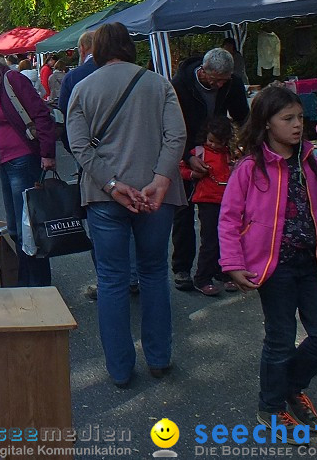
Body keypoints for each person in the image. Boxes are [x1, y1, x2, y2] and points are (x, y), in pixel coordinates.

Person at [219, 85, 317, 428]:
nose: (296, 125)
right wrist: (233, 264)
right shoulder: (249, 167)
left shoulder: (312, 163)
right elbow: (229, 219)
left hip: (312, 264)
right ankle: (271, 406)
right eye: (287, 118)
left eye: (299, 118)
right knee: (280, 339)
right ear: (266, 124)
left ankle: (291, 385)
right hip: (273, 267)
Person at [66, 22, 187, 387]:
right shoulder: (158, 83)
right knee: (153, 274)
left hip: (105, 196)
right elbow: (177, 134)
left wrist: (112, 184)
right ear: (130, 47)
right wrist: (161, 178)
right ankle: (159, 357)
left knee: (112, 281)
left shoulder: (82, 88)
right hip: (156, 196)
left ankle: (119, 368)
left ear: (96, 51)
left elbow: (80, 146)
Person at [0, 49, 57, 286]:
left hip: (23, 160)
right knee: (17, 228)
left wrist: (47, 153)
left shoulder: (12, 80)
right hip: (9, 164)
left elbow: (41, 114)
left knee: (28, 229)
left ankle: (36, 285)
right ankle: (28, 282)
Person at [170, 47, 249, 291]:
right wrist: (186, 156)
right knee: (182, 213)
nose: (219, 85)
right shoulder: (180, 84)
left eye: (224, 81)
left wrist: (242, 146)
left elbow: (242, 116)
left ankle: (217, 268)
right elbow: (171, 123)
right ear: (204, 72)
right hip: (187, 148)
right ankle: (182, 268)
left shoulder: (231, 85)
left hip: (218, 151)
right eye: (216, 80)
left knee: (218, 215)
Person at [180, 117, 235, 295]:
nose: (213, 145)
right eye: (210, 140)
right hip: (207, 201)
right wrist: (193, 174)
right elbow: (181, 169)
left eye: (217, 142)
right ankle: (202, 277)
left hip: (227, 201)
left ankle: (223, 272)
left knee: (227, 240)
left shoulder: (229, 153)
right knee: (210, 241)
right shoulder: (199, 152)